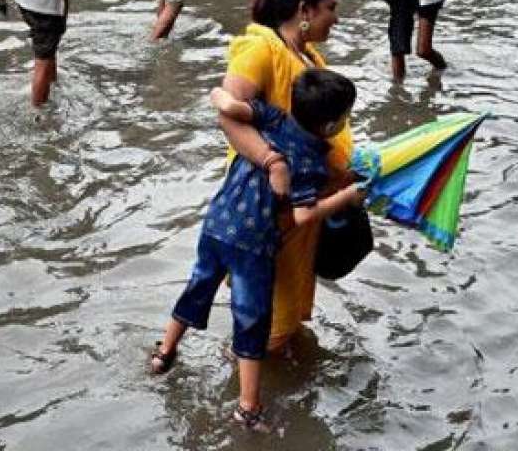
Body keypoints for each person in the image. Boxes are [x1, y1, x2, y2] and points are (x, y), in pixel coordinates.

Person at [148, 69, 364, 433]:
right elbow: (303, 214)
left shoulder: (271, 115)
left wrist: (223, 98)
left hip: (217, 222)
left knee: (197, 288)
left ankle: (163, 354)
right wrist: (346, 197)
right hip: (254, 244)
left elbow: (228, 104)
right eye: (344, 119)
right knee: (250, 320)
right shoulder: (311, 162)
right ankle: (248, 406)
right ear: (330, 127)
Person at [213, 0, 354, 360]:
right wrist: (273, 162)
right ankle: (245, 396)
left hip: (302, 203)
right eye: (331, 7)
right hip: (270, 207)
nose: (336, 17)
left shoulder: (308, 55)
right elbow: (228, 115)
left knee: (284, 305)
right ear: (306, 11)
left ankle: (274, 373)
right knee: (267, 318)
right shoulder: (262, 49)